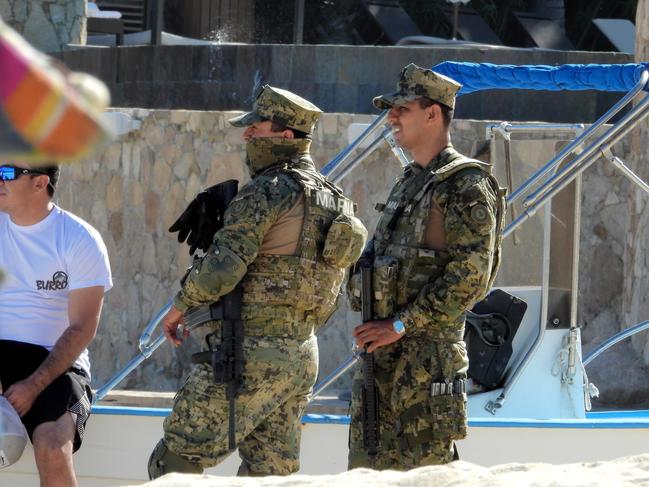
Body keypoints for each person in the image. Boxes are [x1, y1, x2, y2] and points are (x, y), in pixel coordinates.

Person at [148, 85, 367, 477]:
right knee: (269, 474)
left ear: (287, 136)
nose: (247, 135)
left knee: (175, 461)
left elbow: (222, 269)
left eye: (256, 128)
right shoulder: (336, 199)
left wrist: (178, 308)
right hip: (301, 355)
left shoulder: (267, 191)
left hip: (249, 351)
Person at [347, 63, 506, 470]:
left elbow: (471, 279)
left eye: (402, 108)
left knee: (425, 477)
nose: (391, 118)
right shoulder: (411, 180)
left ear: (433, 113)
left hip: (425, 367)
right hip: (379, 363)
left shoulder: (466, 185)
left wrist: (400, 325)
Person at [0, 162, 112, 487]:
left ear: (39, 183)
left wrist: (33, 385)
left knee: (51, 448)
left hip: (56, 366)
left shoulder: (79, 239)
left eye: (7, 173)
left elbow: (82, 328)